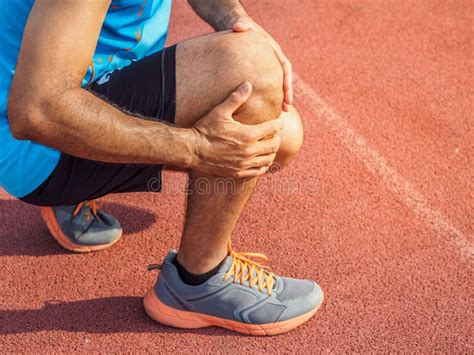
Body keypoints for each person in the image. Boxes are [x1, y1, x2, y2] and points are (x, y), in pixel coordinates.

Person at [1, 0, 323, 335]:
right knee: (249, 67)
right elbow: (37, 113)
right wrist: (196, 148)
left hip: (79, 95)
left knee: (280, 136)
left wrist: (235, 17)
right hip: (34, 146)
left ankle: (79, 185)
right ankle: (199, 278)